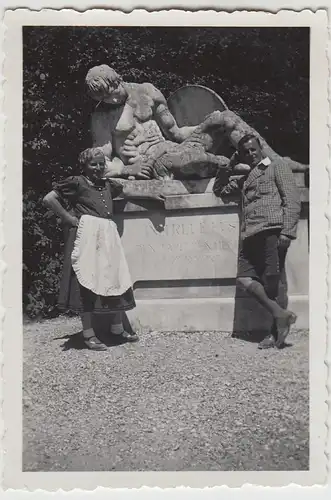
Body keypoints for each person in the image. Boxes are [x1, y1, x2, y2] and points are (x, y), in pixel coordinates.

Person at [43, 147, 165, 351]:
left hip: (107, 235)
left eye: (101, 163)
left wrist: (153, 196)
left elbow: (129, 191)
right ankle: (88, 334)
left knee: (115, 277)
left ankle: (117, 328)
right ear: (84, 166)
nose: (99, 167)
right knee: (87, 281)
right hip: (87, 235)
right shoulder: (77, 182)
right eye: (94, 164)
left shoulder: (108, 184)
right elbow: (49, 198)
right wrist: (68, 218)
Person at [214, 133, 301, 349]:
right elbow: (220, 189)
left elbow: (291, 199)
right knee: (244, 279)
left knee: (271, 282)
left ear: (260, 148)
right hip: (249, 235)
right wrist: (230, 164)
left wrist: (287, 232)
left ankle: (274, 333)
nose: (251, 154)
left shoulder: (276, 165)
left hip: (271, 230)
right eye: (245, 152)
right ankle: (281, 314)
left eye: (253, 149)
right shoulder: (246, 178)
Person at [86, 64, 232, 182]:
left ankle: (249, 163)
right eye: (105, 98)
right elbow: (99, 160)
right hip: (152, 162)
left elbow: (177, 133)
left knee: (227, 119)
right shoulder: (101, 116)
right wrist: (125, 170)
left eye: (114, 92)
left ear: (118, 80)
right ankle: (231, 165)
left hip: (174, 149)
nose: (113, 100)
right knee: (191, 158)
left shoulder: (147, 92)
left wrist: (207, 123)